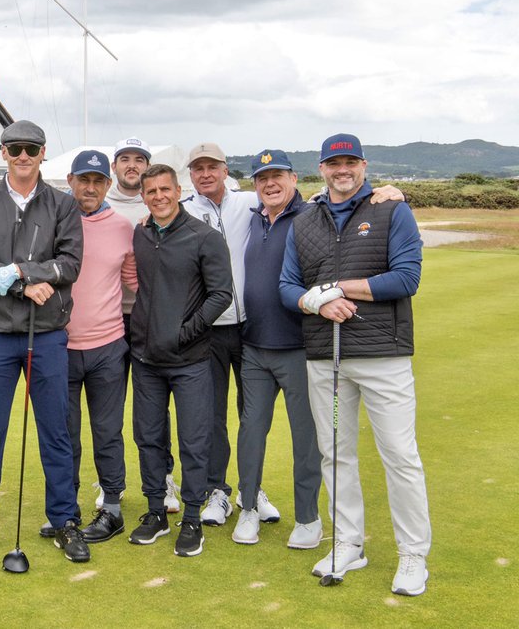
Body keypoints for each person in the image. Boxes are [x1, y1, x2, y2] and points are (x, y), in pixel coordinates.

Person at [280, 133, 430, 596]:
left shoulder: (391, 210)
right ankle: (348, 542)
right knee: (335, 454)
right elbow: (288, 285)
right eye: (333, 163)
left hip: (383, 353)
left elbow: (407, 277)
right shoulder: (304, 220)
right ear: (321, 169)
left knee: (400, 457)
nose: (342, 170)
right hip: (326, 355)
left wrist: (340, 288)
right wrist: (317, 303)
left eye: (350, 162)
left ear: (363, 166)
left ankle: (412, 555)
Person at [0, 120, 88, 565]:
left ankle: (65, 520)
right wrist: (20, 285)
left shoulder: (63, 204)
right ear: (3, 154)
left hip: (46, 334)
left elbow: (69, 263)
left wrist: (27, 273)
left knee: (55, 433)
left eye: (30, 149)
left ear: (43, 153)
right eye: (14, 149)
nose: (22, 156)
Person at [127, 163, 232, 558]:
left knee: (193, 440)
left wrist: (185, 332)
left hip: (190, 359)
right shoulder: (142, 234)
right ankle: (156, 511)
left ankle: (191, 517)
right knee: (149, 438)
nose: (158, 196)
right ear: (144, 196)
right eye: (150, 191)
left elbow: (221, 295)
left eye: (165, 189)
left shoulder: (204, 236)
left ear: (178, 189)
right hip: (146, 359)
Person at [180, 143, 277, 526]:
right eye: (198, 168)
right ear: (191, 174)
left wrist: (388, 191)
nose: (205, 174)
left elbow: (298, 199)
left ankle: (252, 488)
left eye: (212, 167)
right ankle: (216, 490)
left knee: (252, 415)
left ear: (224, 170)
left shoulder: (250, 202)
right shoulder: (185, 210)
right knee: (212, 416)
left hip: (251, 326)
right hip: (209, 329)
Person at [231, 150, 322, 548]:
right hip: (254, 346)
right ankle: (248, 507)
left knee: (306, 437)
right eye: (261, 177)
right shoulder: (252, 215)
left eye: (277, 176)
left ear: (294, 178)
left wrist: (392, 192)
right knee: (251, 431)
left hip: (299, 347)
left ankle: (308, 518)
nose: (269, 183)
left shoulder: (312, 216)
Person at [62, 150, 138, 544]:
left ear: (107, 184)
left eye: (97, 181)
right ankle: (65, 510)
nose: (89, 188)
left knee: (108, 431)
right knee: (65, 434)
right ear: (70, 181)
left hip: (109, 345)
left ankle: (111, 507)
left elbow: (134, 282)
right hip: (59, 346)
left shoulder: (123, 226)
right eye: (82, 179)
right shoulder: (55, 220)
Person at [105, 137, 181, 514]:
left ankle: (163, 478)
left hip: (151, 318)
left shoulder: (160, 200)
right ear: (114, 166)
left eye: (139, 159)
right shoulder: (99, 201)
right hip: (109, 319)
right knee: (110, 407)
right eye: (125, 159)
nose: (131, 165)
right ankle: (111, 482)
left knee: (153, 406)